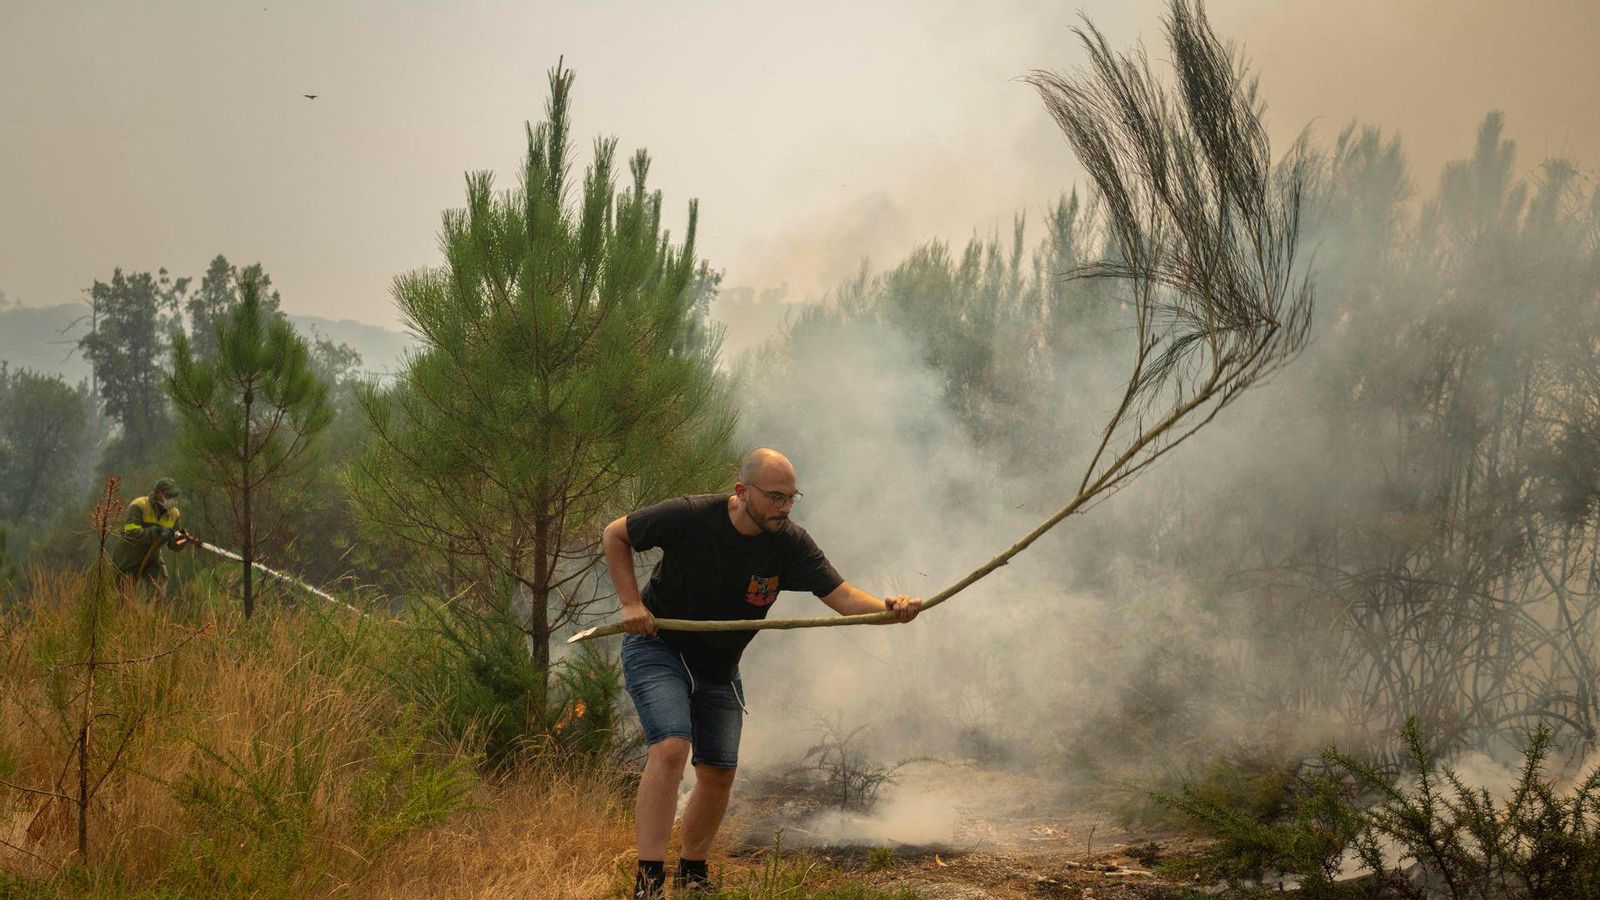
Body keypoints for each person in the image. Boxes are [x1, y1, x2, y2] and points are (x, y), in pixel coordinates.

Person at [602, 448, 921, 897]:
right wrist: (631, 604)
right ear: (741, 492)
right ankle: (649, 882)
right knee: (672, 747)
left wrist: (888, 609)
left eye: (792, 498)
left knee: (718, 772)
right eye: (776, 497)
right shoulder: (690, 516)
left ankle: (693, 875)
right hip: (658, 647)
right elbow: (615, 534)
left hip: (718, 667)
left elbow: (843, 595)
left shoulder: (789, 543)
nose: (785, 508)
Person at [112, 477, 190, 588]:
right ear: (158, 493)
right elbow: (131, 534)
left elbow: (173, 545)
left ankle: (155, 606)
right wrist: (157, 531)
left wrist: (182, 540)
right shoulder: (139, 505)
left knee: (158, 588)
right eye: (169, 496)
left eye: (174, 496)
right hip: (128, 557)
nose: (173, 499)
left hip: (152, 558)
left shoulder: (175, 514)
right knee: (123, 594)